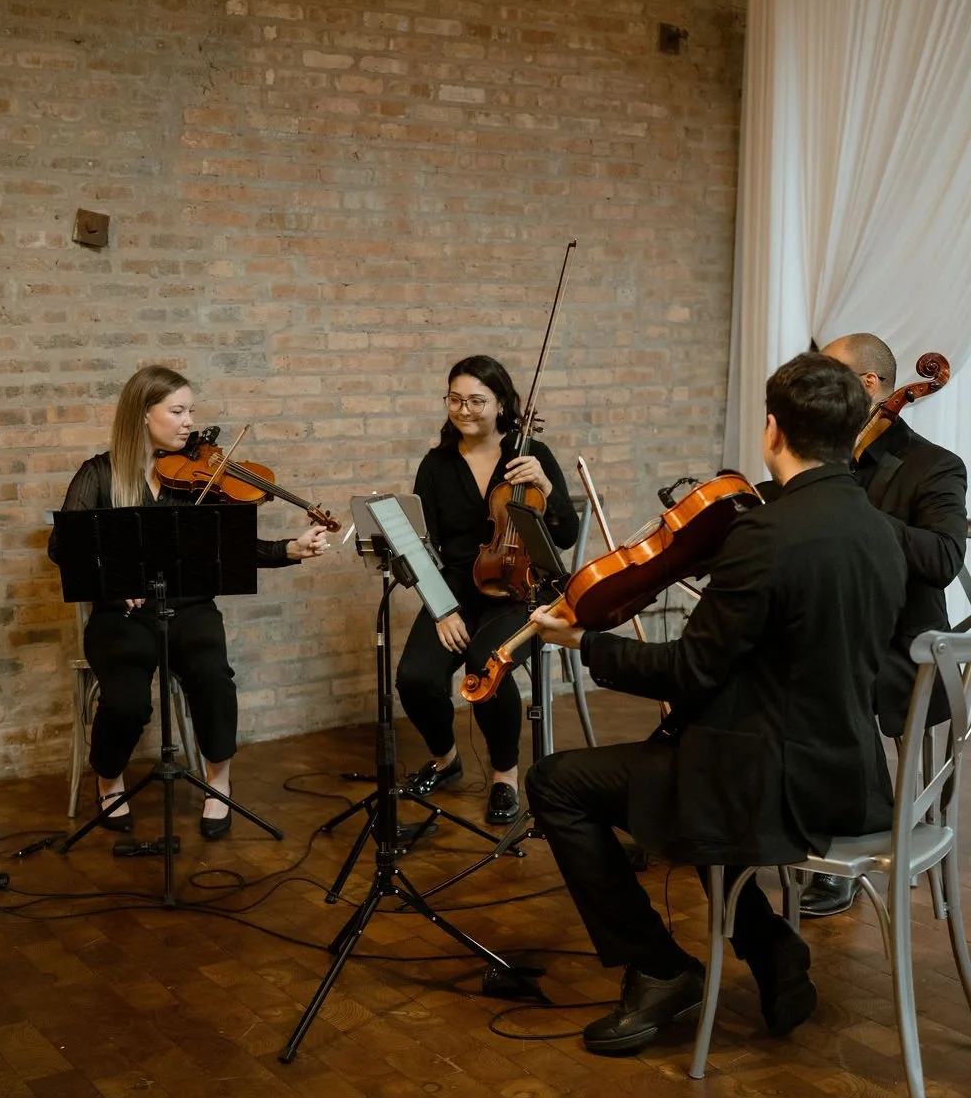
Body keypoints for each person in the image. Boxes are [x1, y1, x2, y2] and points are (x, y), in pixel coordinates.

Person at [524, 352, 907, 1056]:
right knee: (689, 759)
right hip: (850, 776)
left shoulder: (766, 534)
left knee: (559, 782)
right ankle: (771, 949)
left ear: (771, 431)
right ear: (854, 430)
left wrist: (582, 640)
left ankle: (660, 966)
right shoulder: (880, 530)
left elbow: (689, 669)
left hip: (773, 786)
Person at [49, 365, 329, 840]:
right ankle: (110, 779)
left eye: (190, 411)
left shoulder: (199, 475)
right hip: (122, 614)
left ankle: (218, 782)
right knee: (127, 700)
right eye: (177, 411)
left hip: (190, 608)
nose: (188, 423)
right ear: (142, 415)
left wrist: (287, 549)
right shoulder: (98, 473)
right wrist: (114, 585)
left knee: (213, 678)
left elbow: (231, 546)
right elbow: (65, 546)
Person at [798, 333, 968, 916]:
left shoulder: (935, 466)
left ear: (868, 386)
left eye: (830, 378)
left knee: (831, 679)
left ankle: (853, 834)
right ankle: (758, 815)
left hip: (904, 646)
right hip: (829, 630)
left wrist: (856, 513)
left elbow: (944, 558)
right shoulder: (820, 456)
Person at [395, 355, 578, 825]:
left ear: (502, 405)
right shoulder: (436, 466)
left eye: (477, 400)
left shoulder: (528, 455)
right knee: (414, 677)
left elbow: (565, 535)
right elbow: (423, 547)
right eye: (455, 399)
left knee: (486, 664)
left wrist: (546, 487)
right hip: (456, 589)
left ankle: (504, 776)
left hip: (521, 589)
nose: (465, 409)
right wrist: (442, 611)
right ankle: (446, 759)